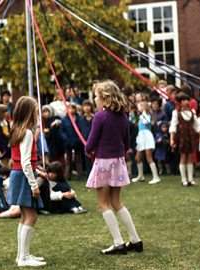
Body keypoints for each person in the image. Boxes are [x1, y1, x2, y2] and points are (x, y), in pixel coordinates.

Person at [85, 80, 143, 255]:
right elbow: (126, 142)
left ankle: (118, 243)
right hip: (118, 162)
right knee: (116, 202)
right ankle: (135, 240)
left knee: (103, 203)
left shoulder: (100, 116)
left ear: (105, 97)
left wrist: (88, 149)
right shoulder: (123, 116)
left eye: (96, 96)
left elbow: (90, 144)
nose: (94, 99)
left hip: (103, 162)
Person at [7, 96, 46, 267]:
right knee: (31, 215)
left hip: (19, 174)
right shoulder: (28, 133)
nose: (38, 114)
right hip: (23, 176)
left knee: (25, 216)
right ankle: (23, 257)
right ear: (30, 113)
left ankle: (23, 255)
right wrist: (33, 184)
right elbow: (24, 162)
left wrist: (38, 171)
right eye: (36, 111)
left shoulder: (17, 130)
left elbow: (22, 160)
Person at [169, 93, 200, 186]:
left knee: (190, 157)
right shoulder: (176, 112)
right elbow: (173, 126)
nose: (185, 102)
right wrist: (172, 139)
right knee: (183, 157)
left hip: (190, 137)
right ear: (179, 102)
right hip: (181, 137)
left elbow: (196, 125)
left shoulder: (192, 112)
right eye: (183, 100)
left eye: (187, 100)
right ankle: (184, 179)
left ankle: (190, 179)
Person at [131, 101, 161, 184]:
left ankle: (156, 177)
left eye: (139, 107)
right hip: (141, 138)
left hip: (147, 138)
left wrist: (143, 113)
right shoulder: (141, 117)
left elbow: (147, 122)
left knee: (149, 158)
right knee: (137, 158)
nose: (138, 108)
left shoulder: (146, 116)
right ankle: (141, 175)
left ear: (143, 108)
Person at [60, 103, 83, 180]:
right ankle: (67, 176)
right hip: (68, 142)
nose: (71, 110)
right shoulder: (64, 120)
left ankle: (79, 175)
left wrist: (79, 139)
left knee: (78, 159)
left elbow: (81, 129)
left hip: (77, 142)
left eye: (73, 108)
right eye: (69, 108)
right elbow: (61, 131)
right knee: (68, 160)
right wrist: (65, 138)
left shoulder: (79, 119)